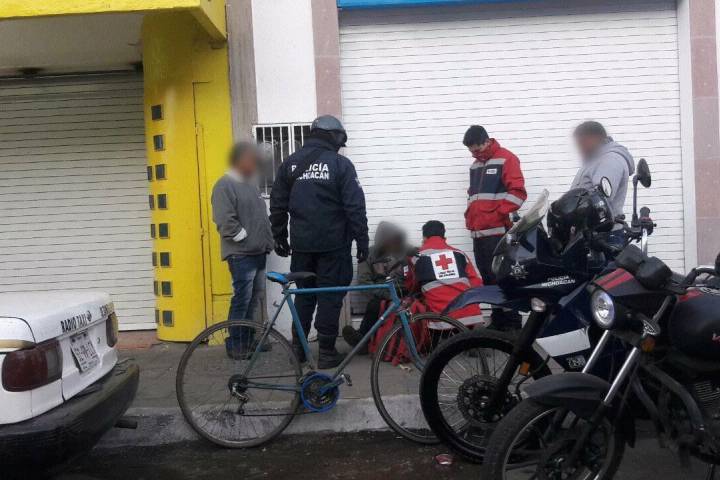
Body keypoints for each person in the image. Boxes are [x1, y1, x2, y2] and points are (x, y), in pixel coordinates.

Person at [270, 115, 369, 369]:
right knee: (329, 296)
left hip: (302, 247)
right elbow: (355, 207)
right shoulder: (340, 165)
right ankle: (326, 353)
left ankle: (298, 351)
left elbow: (278, 204)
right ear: (333, 136)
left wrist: (279, 236)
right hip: (334, 247)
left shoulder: (290, 164)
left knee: (304, 296)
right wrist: (362, 241)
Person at [211, 142, 275, 359]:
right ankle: (236, 344)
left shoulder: (250, 185)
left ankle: (247, 340)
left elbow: (260, 218)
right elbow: (224, 219)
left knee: (253, 299)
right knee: (242, 299)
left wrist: (266, 242)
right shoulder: (224, 185)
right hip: (241, 254)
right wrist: (243, 237)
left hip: (257, 252)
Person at [463, 125, 525, 327]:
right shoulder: (475, 166)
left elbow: (518, 193)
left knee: (502, 278)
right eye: (471, 151)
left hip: (497, 233)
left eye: (476, 149)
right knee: (488, 279)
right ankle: (498, 320)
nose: (474, 154)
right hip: (479, 234)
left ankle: (512, 323)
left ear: (486, 141)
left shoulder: (507, 159)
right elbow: (475, 196)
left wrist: (497, 214)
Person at [342, 221, 411, 354]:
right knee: (374, 306)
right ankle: (362, 341)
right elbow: (364, 283)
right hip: (381, 295)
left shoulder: (405, 252)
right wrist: (386, 295)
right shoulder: (368, 255)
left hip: (405, 293)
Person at [405, 221, 488, 328]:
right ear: (444, 236)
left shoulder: (416, 257)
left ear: (424, 237)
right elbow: (476, 283)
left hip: (440, 321)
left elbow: (411, 286)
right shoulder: (459, 253)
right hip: (471, 316)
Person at [571, 121, 635, 215]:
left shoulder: (610, 160)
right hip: (586, 224)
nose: (580, 148)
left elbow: (602, 198)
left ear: (595, 138)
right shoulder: (594, 161)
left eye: (582, 142)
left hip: (598, 224)